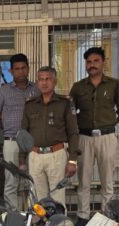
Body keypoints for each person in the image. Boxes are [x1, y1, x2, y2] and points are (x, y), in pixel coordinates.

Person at [69, 47, 119, 226]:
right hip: (84, 137)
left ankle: (107, 215)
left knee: (107, 180)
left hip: (106, 137)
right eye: (88, 62)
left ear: (103, 62)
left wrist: (109, 123)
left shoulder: (114, 85)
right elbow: (71, 111)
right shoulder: (78, 87)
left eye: (96, 61)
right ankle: (83, 216)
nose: (92, 65)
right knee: (83, 180)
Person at [21, 66, 79, 205]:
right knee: (38, 199)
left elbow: (73, 132)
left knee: (57, 198)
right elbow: (23, 134)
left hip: (56, 155)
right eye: (41, 79)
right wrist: (22, 160)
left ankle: (59, 220)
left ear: (55, 82)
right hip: (35, 156)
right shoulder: (30, 105)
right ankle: (40, 221)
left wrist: (72, 160)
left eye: (48, 79)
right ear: (37, 82)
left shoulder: (64, 103)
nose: (44, 82)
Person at [0, 53, 40, 209]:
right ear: (11, 71)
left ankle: (31, 215)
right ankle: (13, 215)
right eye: (17, 69)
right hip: (11, 141)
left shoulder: (36, 89)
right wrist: (7, 128)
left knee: (31, 180)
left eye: (23, 68)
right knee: (11, 180)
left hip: (32, 143)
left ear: (28, 69)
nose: (21, 72)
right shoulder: (4, 91)